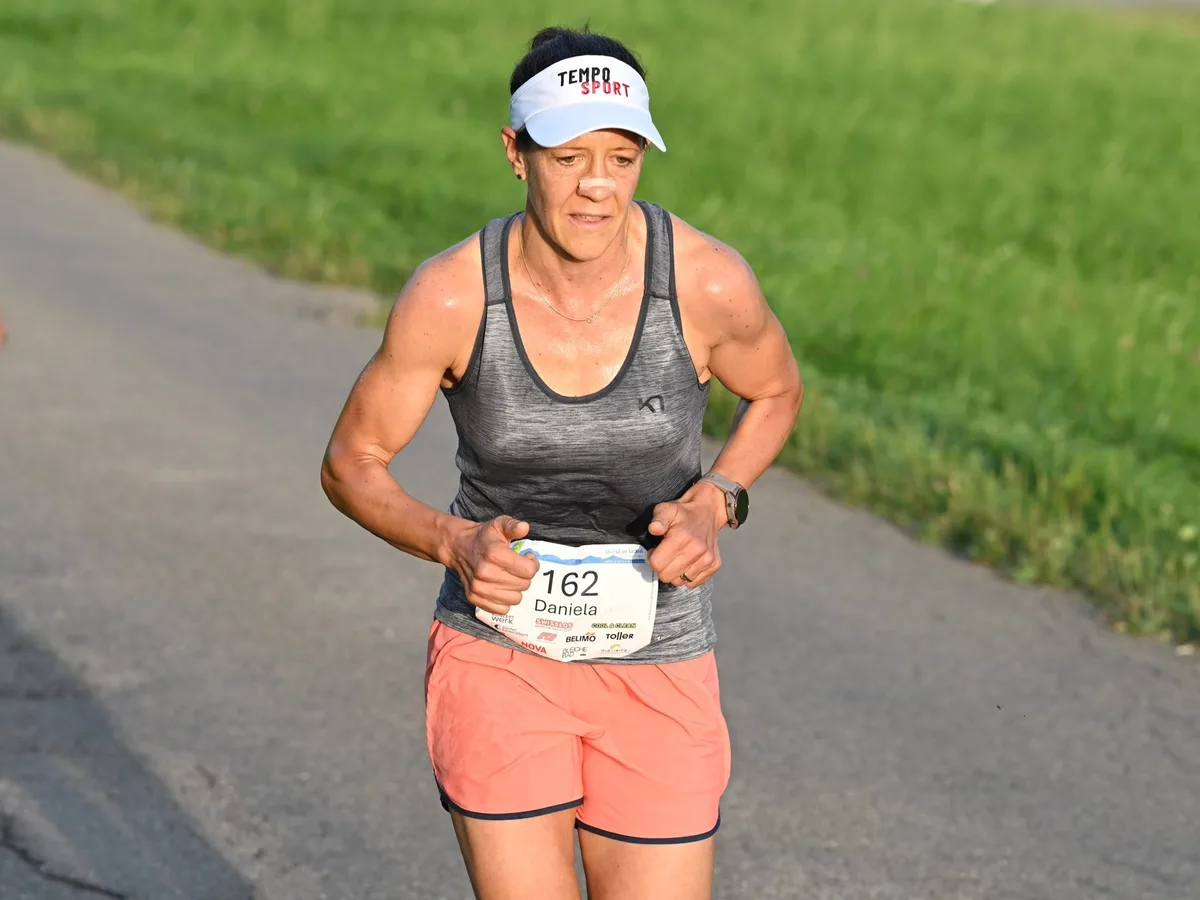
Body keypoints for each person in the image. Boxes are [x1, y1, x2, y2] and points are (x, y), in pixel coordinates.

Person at [321, 25, 803, 900]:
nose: (596, 184)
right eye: (568, 155)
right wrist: (451, 542)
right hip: (500, 655)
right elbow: (352, 461)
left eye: (621, 158)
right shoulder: (455, 294)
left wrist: (716, 498)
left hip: (659, 659)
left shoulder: (704, 282)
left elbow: (776, 392)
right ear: (516, 152)